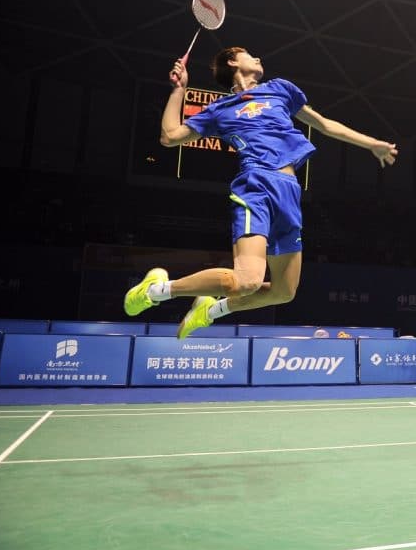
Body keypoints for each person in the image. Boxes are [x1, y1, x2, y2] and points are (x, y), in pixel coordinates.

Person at [123, 47, 398, 338]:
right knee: (247, 282)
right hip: (256, 185)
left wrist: (372, 144)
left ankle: (211, 310)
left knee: (284, 291)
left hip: (290, 190)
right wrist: (179, 90)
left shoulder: (280, 89)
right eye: (248, 54)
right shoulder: (220, 109)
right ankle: (156, 290)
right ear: (232, 62)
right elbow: (169, 137)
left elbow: (324, 124)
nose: (257, 58)